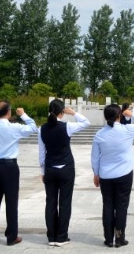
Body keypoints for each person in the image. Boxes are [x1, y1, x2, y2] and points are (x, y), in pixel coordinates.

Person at [0, 100, 38, 246]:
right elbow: (33, 128)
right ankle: (12, 236)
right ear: (9, 112)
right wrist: (23, 114)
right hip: (10, 167)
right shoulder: (14, 127)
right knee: (11, 202)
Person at [91, 104, 134, 247]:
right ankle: (120, 237)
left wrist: (96, 174)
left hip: (105, 175)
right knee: (122, 206)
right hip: (124, 174)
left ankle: (109, 239)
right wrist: (131, 114)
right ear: (120, 116)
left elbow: (95, 158)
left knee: (108, 206)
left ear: (105, 117)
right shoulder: (127, 130)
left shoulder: (99, 134)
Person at [38, 99, 90, 247]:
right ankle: (61, 237)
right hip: (66, 168)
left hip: (50, 168)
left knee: (51, 203)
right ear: (62, 112)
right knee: (65, 203)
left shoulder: (42, 129)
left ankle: (52, 237)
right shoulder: (67, 126)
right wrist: (73, 113)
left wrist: (42, 171)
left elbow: (41, 153)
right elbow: (86, 122)